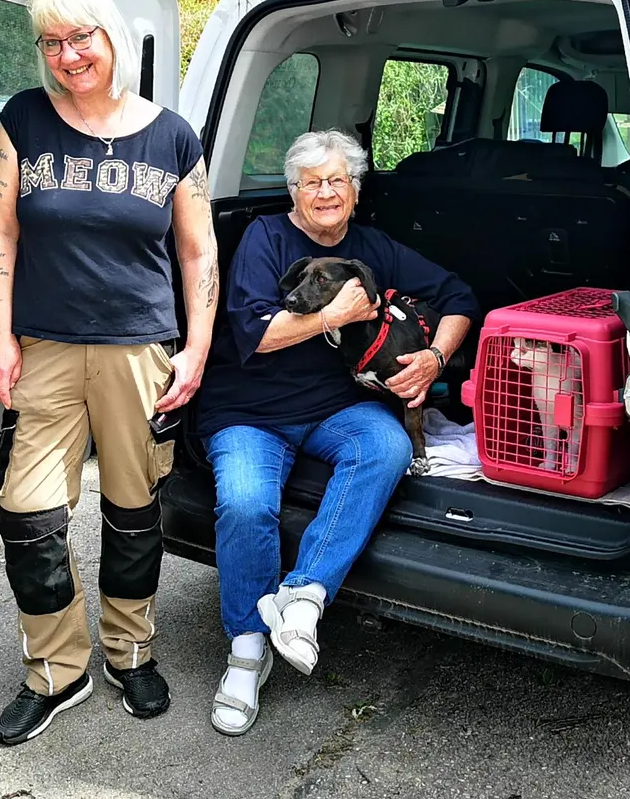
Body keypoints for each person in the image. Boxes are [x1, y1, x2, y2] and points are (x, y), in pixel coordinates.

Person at [0, 0, 217, 744]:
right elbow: (2, 232)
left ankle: (131, 651)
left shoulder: (173, 137)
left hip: (139, 350)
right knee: (28, 513)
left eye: (82, 37)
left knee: (134, 509)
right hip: (44, 349)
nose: (68, 55)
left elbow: (196, 250)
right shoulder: (24, 119)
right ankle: (56, 670)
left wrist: (197, 351)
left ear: (112, 37)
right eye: (52, 42)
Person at [194, 130, 478, 736]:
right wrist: (332, 315)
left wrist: (433, 358)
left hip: (332, 406)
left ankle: (303, 598)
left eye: (337, 180)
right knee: (246, 504)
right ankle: (247, 651)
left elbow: (458, 296)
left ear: (355, 190)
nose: (325, 193)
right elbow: (256, 334)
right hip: (249, 409)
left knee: (387, 445)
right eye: (311, 182)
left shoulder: (370, 247)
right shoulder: (264, 238)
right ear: (294, 192)